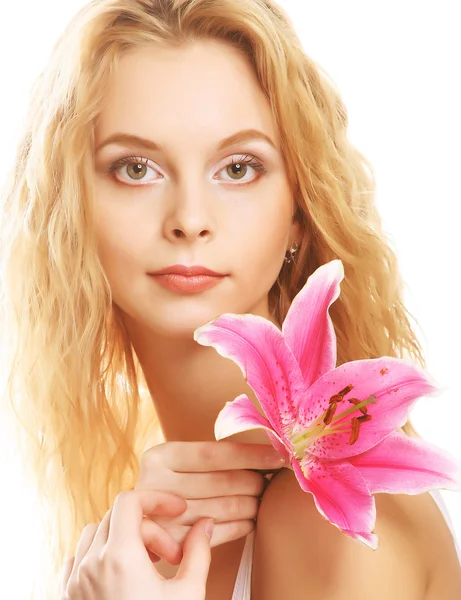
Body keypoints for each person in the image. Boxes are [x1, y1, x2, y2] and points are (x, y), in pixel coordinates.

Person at [0, 0, 460, 598]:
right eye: (136, 168)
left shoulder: (325, 519)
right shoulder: (145, 529)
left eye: (238, 168)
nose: (190, 220)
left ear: (300, 216)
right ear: (71, 217)